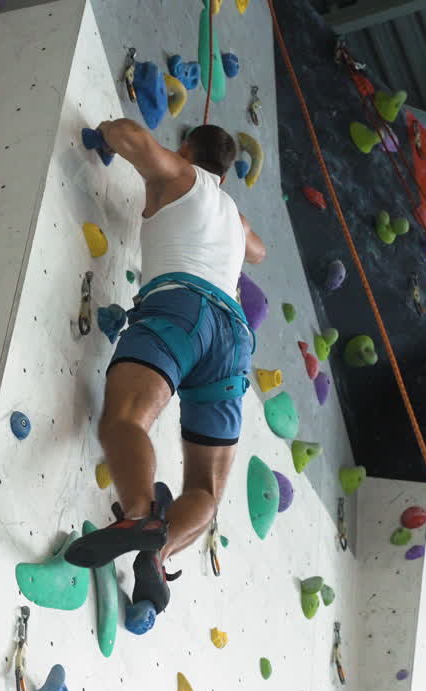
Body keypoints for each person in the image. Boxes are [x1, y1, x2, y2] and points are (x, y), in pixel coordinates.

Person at [65, 119, 266, 620]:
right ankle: (157, 553)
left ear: (186, 149)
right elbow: (260, 251)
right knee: (204, 490)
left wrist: (106, 132)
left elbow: (132, 139)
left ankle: (137, 512)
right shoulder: (236, 221)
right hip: (234, 340)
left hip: (182, 308)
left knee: (127, 421)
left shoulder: (181, 175)